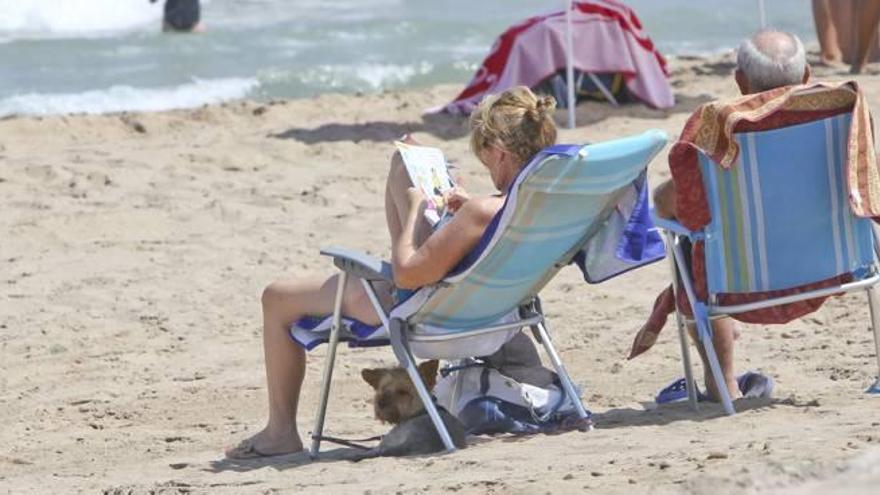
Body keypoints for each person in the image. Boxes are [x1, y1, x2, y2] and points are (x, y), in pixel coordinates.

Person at [225, 86, 558, 458]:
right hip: (502, 317)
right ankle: (414, 165)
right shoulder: (545, 204)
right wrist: (462, 206)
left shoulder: (481, 212)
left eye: (484, 157)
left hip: (433, 316)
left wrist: (416, 211)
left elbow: (405, 276)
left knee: (276, 297)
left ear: (498, 152)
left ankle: (280, 431)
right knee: (404, 164)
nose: (485, 166)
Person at [651, 29, 810, 402]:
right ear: (806, 77)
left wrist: (659, 197)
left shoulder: (719, 131)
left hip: (739, 285)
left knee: (695, 244)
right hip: (831, 270)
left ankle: (723, 382)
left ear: (740, 81)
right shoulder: (838, 119)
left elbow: (675, 204)